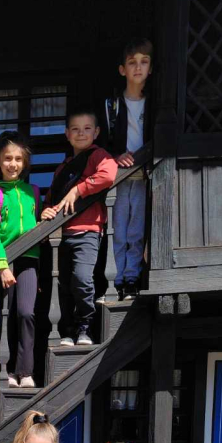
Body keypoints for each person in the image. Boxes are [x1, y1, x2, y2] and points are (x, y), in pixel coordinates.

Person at [41, 105, 118, 346]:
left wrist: (78, 189)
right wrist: (46, 210)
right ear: (67, 134)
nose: (81, 133)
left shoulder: (98, 155)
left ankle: (85, 326)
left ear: (96, 132)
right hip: (61, 235)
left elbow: (108, 175)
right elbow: (51, 198)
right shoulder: (62, 168)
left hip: (88, 231)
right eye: (75, 129)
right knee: (63, 285)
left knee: (82, 279)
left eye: (86, 128)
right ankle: (67, 331)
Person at [0, 131, 39, 388]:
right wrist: (2, 266)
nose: (12, 164)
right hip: (6, 262)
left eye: (18, 159)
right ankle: (8, 372)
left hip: (30, 259)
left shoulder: (32, 191)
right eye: (7, 158)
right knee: (9, 315)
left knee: (26, 313)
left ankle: (25, 371)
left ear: (24, 162)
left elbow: (37, 221)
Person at [99, 37, 153, 301]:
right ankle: (117, 278)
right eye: (132, 62)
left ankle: (132, 277)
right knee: (118, 228)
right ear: (122, 69)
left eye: (144, 62)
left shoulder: (153, 104)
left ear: (151, 68)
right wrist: (115, 156)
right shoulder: (112, 105)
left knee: (137, 229)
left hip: (144, 175)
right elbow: (102, 141)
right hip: (119, 177)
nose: (138, 67)